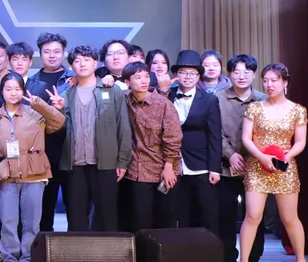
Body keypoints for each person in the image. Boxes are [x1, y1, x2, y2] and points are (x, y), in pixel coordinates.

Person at [0, 73, 66, 262]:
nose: (13, 93)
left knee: (32, 222)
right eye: (8, 89)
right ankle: (10, 261)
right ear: (1, 91)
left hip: (35, 174)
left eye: (17, 89)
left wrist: (39, 104)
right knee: (8, 221)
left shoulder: (34, 113)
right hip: (8, 177)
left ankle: (28, 260)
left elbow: (58, 121)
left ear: (23, 91)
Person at [238, 63, 308, 262]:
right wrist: (262, 157)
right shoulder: (255, 108)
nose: (269, 84)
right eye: (266, 80)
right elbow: (246, 139)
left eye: (274, 80)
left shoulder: (298, 110)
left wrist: (286, 157)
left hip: (284, 168)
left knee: (290, 218)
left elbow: (300, 142)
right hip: (257, 167)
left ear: (285, 82)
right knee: (252, 216)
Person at [59, 45, 132, 232]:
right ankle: (77, 260)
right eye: (76, 60)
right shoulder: (65, 94)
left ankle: (110, 259)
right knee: (76, 218)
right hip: (74, 165)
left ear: (96, 62)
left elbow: (123, 126)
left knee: (107, 216)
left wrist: (122, 162)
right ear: (72, 67)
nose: (82, 64)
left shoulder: (112, 90)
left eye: (87, 59)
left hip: (106, 164)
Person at [217, 54, 267, 262]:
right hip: (225, 166)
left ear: (254, 74)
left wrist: (252, 157)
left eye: (247, 71)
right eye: (236, 71)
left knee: (255, 214)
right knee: (225, 215)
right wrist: (230, 155)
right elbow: (213, 132)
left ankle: (253, 261)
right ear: (229, 74)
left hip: (256, 167)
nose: (241, 76)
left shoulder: (264, 99)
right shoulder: (217, 98)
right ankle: (228, 259)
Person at [168, 50, 223, 247]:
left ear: (199, 76)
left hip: (201, 165)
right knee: (181, 214)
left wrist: (215, 168)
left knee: (208, 214)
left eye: (192, 73)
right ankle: (185, 259)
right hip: (175, 166)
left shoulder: (209, 100)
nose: (188, 77)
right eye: (183, 72)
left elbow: (215, 135)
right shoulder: (168, 95)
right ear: (177, 75)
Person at [121, 62, 182, 232]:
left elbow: (174, 138)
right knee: (139, 221)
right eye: (138, 77)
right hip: (136, 171)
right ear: (127, 82)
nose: (144, 81)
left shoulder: (163, 104)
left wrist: (169, 166)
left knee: (165, 221)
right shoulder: (124, 100)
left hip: (162, 168)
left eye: (146, 76)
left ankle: (164, 258)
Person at [35, 33, 71, 234]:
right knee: (44, 206)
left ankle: (74, 252)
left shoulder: (74, 79)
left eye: (57, 51)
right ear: (40, 53)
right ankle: (42, 251)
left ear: (64, 53)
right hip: (42, 152)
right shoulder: (32, 82)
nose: (52, 56)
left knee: (73, 205)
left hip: (70, 150)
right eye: (47, 51)